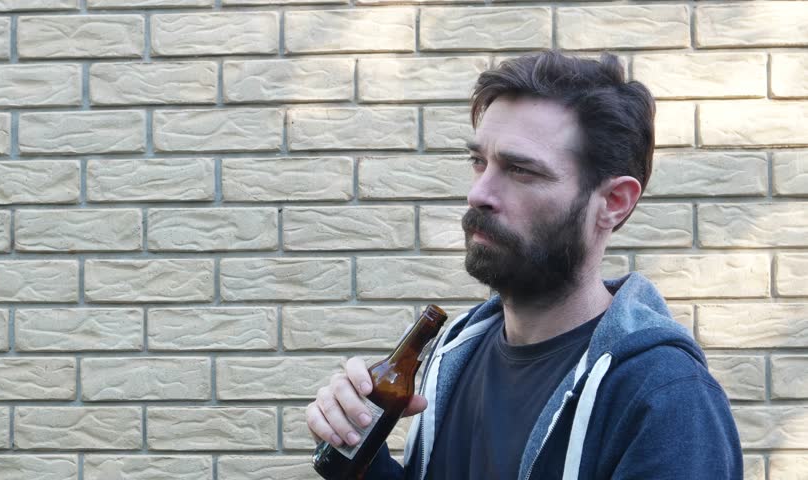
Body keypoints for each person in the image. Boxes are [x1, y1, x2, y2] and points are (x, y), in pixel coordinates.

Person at [306, 50, 743, 479]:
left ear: (613, 202)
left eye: (521, 170)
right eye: (479, 162)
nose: (479, 193)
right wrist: (363, 462)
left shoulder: (666, 398)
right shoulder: (454, 353)